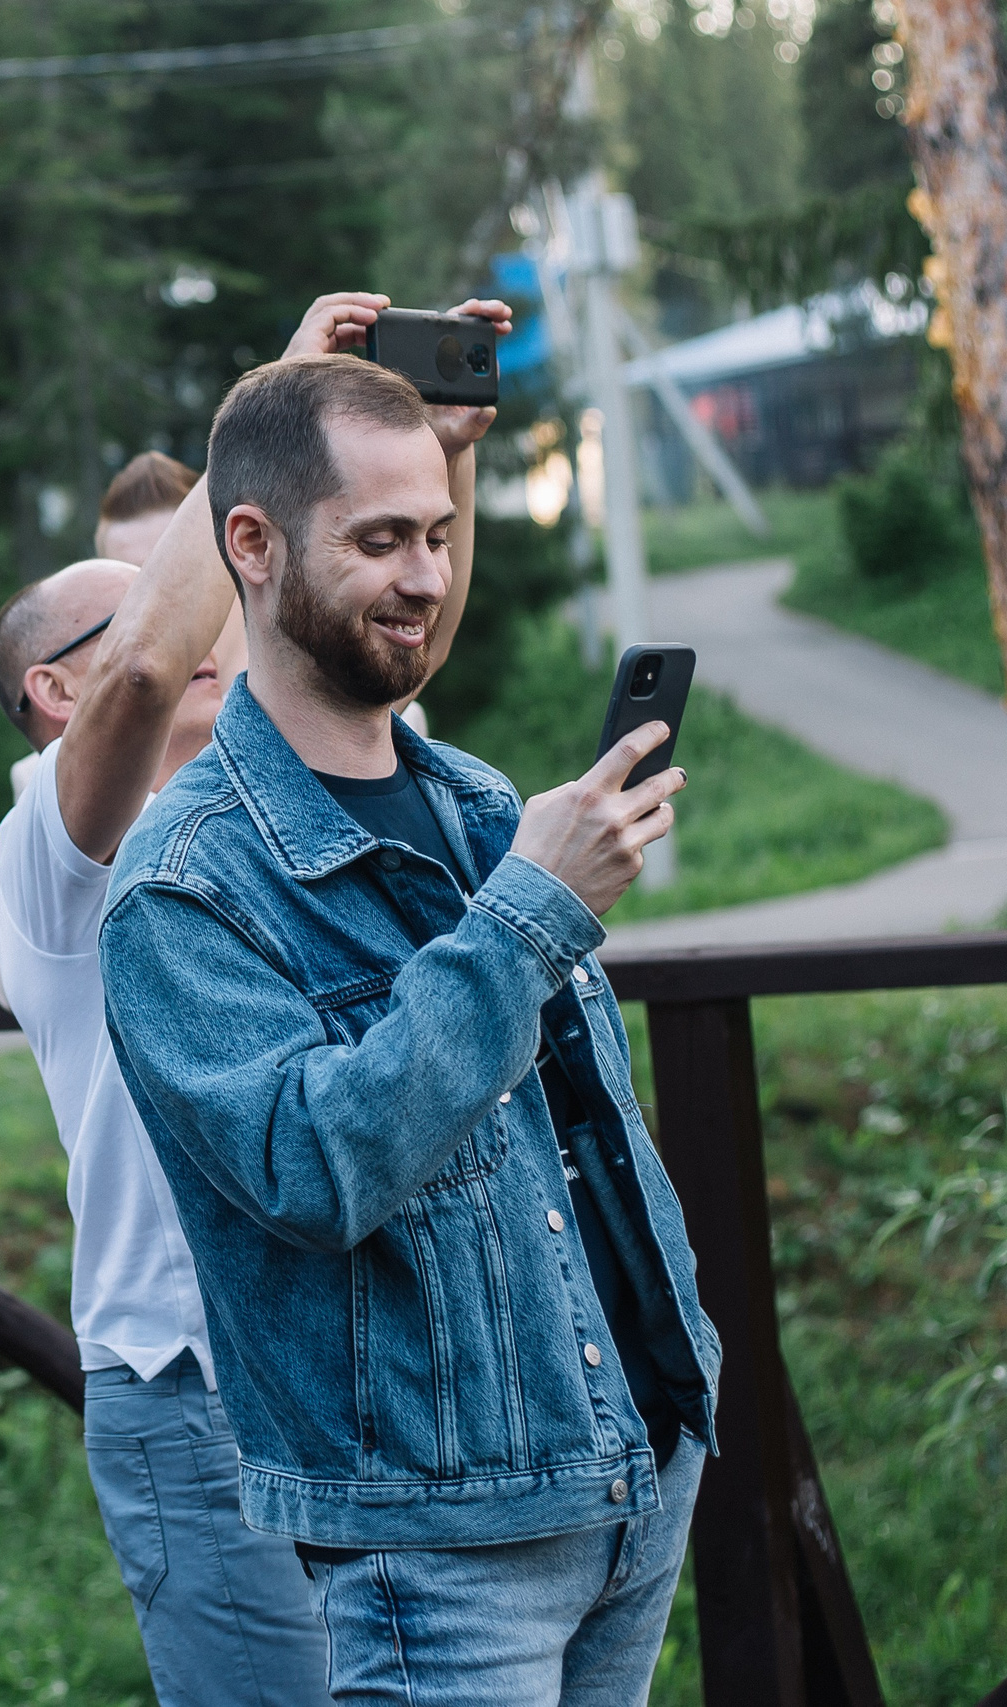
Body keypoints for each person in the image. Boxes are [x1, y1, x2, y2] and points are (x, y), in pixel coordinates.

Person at [95, 354, 723, 1707]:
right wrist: (528, 919)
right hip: (440, 1546)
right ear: (251, 547)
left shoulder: (483, 803)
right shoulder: (183, 886)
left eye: (438, 535)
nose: (429, 577)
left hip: (629, 1466)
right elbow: (314, 1167)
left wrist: (673, 1388)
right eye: (380, 541)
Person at [0, 292, 509, 1706]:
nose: (198, 601)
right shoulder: (51, 846)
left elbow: (400, 655)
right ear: (52, 691)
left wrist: (433, 465)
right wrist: (275, 408)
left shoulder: (290, 780)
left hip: (382, 1364)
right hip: (195, 1390)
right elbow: (148, 664)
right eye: (158, 583)